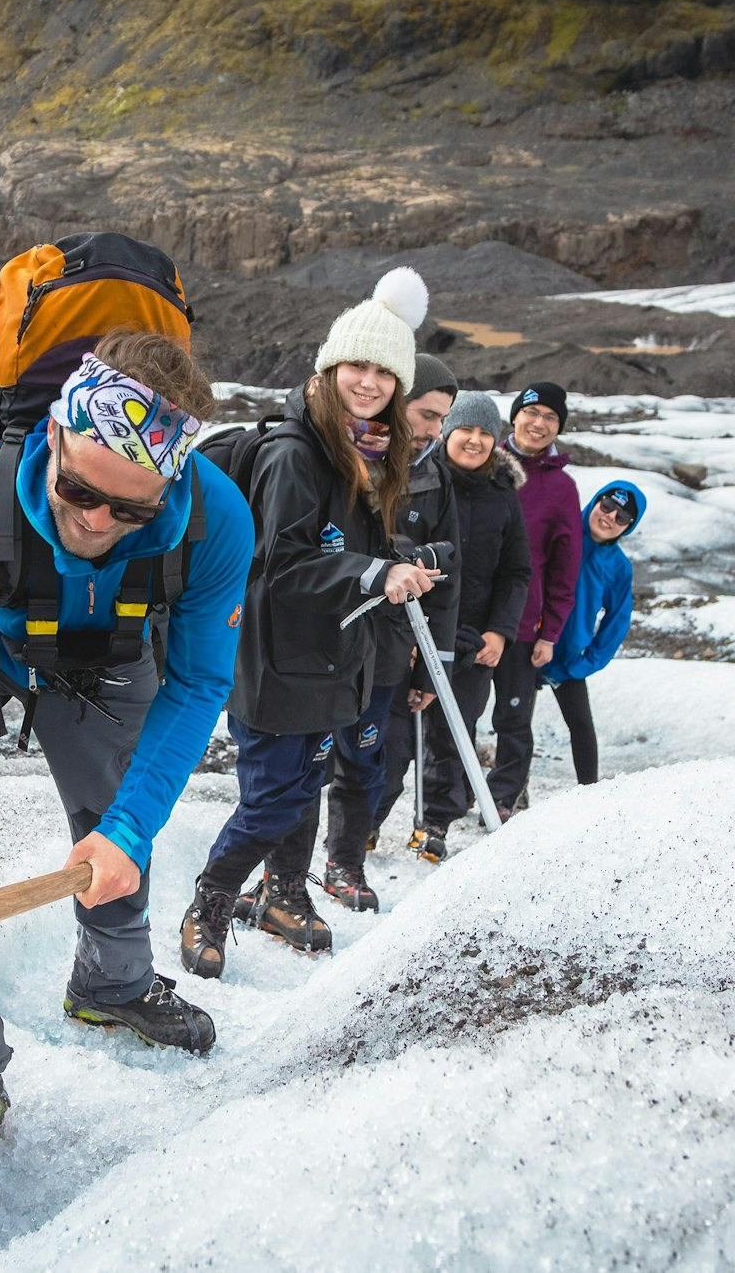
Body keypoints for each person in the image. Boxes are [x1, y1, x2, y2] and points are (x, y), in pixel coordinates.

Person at [0, 330, 255, 1217]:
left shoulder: (217, 519)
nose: (95, 523)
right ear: (55, 437)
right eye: (78, 490)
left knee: (124, 807)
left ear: (173, 487)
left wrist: (126, 827)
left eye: (132, 512)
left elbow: (198, 683)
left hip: (108, 652)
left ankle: (111, 982)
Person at [179, 267, 437, 970]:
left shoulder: (368, 456)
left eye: (385, 373)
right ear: (329, 367)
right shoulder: (296, 454)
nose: (369, 381)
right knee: (271, 798)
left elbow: (356, 546)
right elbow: (281, 564)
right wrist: (375, 574)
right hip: (278, 662)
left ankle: (285, 893)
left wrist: (399, 561)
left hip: (333, 659)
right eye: (356, 364)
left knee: (307, 786)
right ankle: (211, 900)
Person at [294, 352, 461, 912]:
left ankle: (345, 861)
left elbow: (448, 566)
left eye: (442, 420)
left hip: (388, 644)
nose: (436, 430)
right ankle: (283, 878)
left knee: (367, 758)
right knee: (304, 761)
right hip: (324, 636)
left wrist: (432, 663)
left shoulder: (435, 477)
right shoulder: (335, 457)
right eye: (429, 414)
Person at [374, 390, 531, 860]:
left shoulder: (504, 498)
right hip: (412, 633)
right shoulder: (420, 482)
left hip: (472, 640)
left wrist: (500, 632)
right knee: (394, 739)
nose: (475, 440)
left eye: (486, 433)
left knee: (454, 733)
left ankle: (435, 822)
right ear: (447, 430)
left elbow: (516, 572)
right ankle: (367, 820)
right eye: (466, 429)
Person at [487, 383, 582, 819]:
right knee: (453, 713)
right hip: (468, 614)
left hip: (525, 623)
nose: (539, 424)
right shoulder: (481, 463)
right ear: (515, 416)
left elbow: (566, 568)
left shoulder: (562, 488)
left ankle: (505, 797)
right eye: (532, 412)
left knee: (513, 719)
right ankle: (452, 794)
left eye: (551, 418)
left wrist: (552, 631)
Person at [543, 481, 647, 784]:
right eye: (607, 506)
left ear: (629, 527)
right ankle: (506, 793)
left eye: (622, 518)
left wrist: (588, 661)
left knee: (581, 725)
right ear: (596, 501)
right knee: (513, 721)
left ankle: (589, 795)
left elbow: (618, 621)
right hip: (527, 642)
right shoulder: (561, 532)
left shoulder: (617, 566)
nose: (610, 518)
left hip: (568, 657)